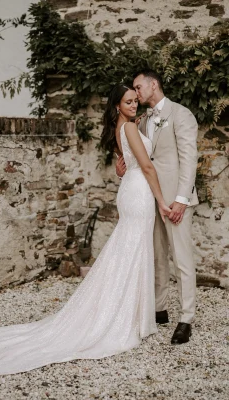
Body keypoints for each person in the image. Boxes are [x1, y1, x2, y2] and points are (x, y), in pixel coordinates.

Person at [0, 84, 171, 377]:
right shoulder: (130, 128)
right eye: (129, 102)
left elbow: (127, 165)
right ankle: (124, 319)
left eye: (135, 101)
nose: (134, 105)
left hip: (130, 189)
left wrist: (127, 172)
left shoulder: (121, 127)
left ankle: (131, 315)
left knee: (130, 250)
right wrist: (162, 201)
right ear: (118, 106)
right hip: (139, 193)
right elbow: (146, 167)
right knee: (132, 249)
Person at [116, 70, 198, 345]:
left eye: (139, 88)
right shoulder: (140, 122)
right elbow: (139, 157)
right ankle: (159, 308)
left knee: (182, 259)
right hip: (149, 199)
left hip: (174, 200)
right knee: (157, 255)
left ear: (154, 85)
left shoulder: (180, 114)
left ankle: (186, 317)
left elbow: (189, 159)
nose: (136, 93)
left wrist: (181, 200)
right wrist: (121, 166)